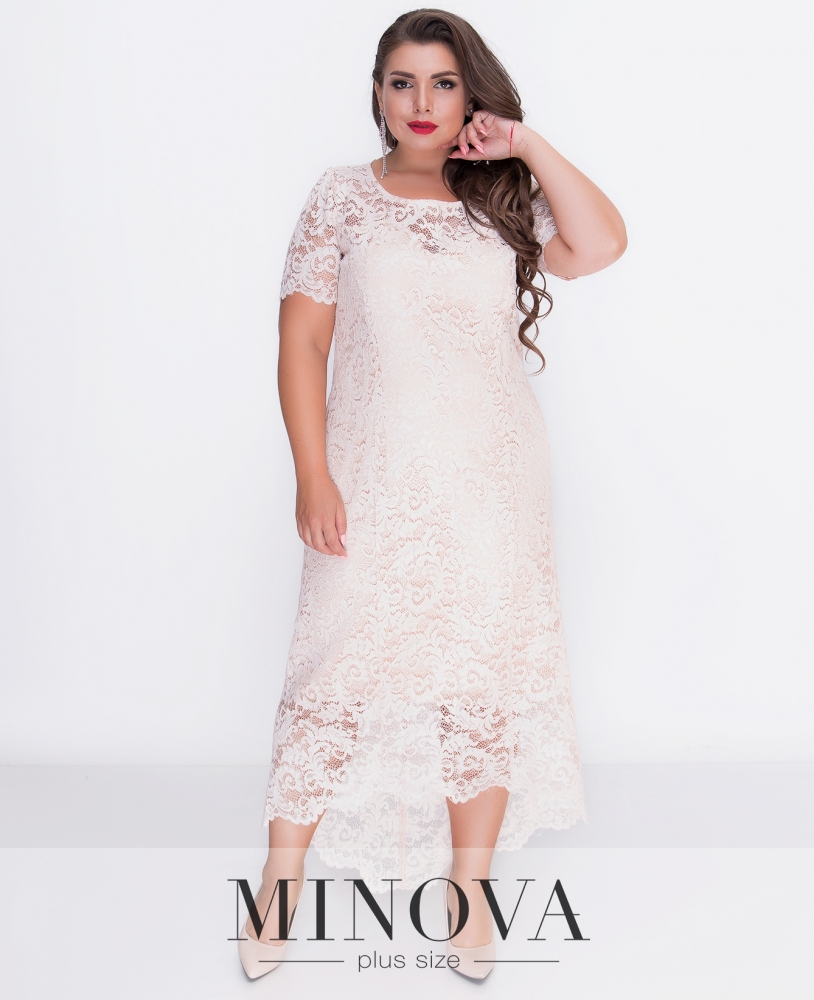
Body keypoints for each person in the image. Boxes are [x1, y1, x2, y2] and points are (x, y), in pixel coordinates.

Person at [238, 7, 626, 982]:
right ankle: (279, 884)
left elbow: (601, 245)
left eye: (444, 83)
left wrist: (526, 145)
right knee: (332, 670)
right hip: (370, 474)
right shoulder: (341, 197)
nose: (422, 102)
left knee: (479, 681)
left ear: (469, 93)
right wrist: (312, 472)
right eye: (403, 81)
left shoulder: (503, 196)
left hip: (493, 480)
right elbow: (302, 341)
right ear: (376, 92)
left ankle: (469, 895)